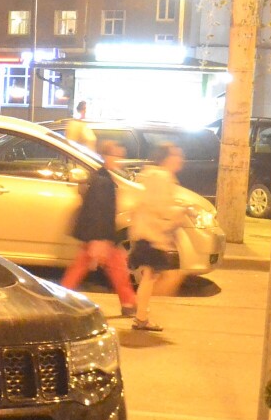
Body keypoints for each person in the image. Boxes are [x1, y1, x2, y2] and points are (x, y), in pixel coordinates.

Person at [60, 141, 138, 316]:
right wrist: (99, 240)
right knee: (109, 267)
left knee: (87, 266)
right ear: (107, 156)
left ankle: (129, 303)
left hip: (99, 234)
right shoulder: (103, 182)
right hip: (99, 235)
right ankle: (129, 304)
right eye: (117, 156)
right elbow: (98, 212)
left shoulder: (103, 178)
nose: (120, 160)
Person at [128, 143, 197, 332]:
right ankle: (139, 310)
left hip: (147, 233)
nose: (180, 159)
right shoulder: (162, 177)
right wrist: (184, 210)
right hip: (152, 235)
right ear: (167, 158)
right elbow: (162, 209)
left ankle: (141, 315)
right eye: (177, 155)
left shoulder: (151, 175)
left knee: (150, 276)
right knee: (168, 276)